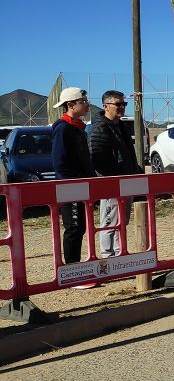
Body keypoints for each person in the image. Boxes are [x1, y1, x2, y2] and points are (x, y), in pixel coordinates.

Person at [89, 90, 142, 258]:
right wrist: (111, 176)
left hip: (125, 180)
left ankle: (120, 253)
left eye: (123, 104)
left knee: (122, 220)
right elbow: (95, 156)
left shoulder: (119, 126)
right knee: (109, 220)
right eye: (118, 104)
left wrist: (133, 171)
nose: (122, 107)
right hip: (111, 183)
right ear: (105, 106)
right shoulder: (100, 127)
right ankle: (108, 255)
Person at [51, 87, 96, 274]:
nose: (86, 105)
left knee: (81, 228)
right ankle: (71, 271)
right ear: (70, 105)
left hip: (82, 186)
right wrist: (72, 184)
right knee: (74, 228)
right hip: (71, 187)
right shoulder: (63, 129)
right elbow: (60, 162)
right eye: (83, 101)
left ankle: (76, 268)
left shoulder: (78, 128)